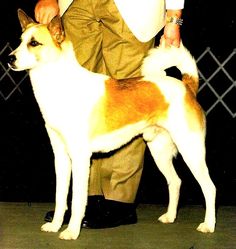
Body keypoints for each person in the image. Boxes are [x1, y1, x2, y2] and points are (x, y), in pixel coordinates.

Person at [34, 0, 184, 229]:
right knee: (78, 101)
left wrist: (174, 15)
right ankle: (83, 201)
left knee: (128, 104)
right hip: (74, 5)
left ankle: (118, 201)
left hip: (134, 9)